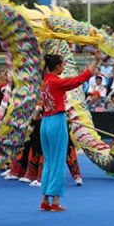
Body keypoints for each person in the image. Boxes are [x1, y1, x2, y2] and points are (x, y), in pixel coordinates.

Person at [39, 51, 100, 212]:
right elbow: (80, 79)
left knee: (49, 161)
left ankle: (45, 199)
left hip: (45, 122)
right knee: (58, 161)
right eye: (62, 64)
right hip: (56, 121)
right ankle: (55, 201)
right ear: (57, 66)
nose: (64, 66)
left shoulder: (44, 81)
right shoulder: (56, 82)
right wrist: (95, 61)